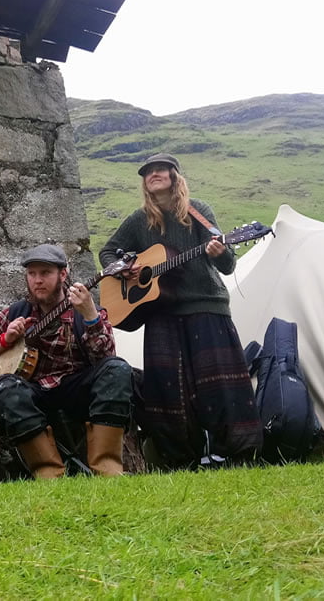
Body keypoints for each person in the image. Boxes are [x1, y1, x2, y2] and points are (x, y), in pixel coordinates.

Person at [99, 153, 262, 470]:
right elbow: (108, 252)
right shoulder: (138, 220)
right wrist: (123, 270)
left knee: (220, 384)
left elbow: (228, 265)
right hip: (160, 313)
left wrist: (219, 251)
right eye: (148, 172)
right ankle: (179, 458)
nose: (154, 174)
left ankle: (239, 454)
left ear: (175, 176)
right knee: (167, 391)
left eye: (161, 169)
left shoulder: (198, 211)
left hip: (206, 305)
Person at [0, 243, 133, 479]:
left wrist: (90, 317)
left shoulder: (86, 308)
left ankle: (107, 467)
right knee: (5, 387)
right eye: (32, 274)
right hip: (36, 393)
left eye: (45, 273)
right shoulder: (17, 311)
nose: (37, 280)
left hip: (77, 389)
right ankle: (48, 473)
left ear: (62, 274)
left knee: (118, 370)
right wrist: (6, 338)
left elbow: (106, 359)